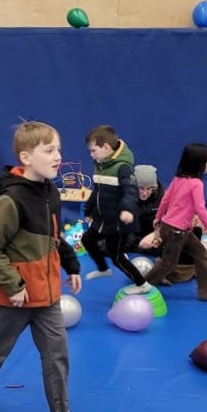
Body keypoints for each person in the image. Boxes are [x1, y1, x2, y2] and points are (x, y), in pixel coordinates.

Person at [0, 121, 99, 412]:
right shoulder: (11, 200)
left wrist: (71, 265)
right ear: (25, 157)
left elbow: (54, 236)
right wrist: (13, 286)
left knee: (57, 353)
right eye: (49, 150)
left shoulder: (50, 192)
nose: (58, 156)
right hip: (16, 295)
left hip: (46, 292)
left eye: (58, 149)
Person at [142, 143, 207, 300]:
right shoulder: (196, 184)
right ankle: (142, 284)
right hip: (175, 232)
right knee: (168, 263)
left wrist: (158, 218)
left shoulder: (178, 179)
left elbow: (165, 200)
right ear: (198, 163)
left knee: (201, 253)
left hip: (177, 229)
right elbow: (200, 209)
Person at [80, 125, 151, 294]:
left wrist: (127, 209)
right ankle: (103, 268)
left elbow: (131, 190)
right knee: (87, 240)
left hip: (118, 222)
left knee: (117, 257)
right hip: (102, 219)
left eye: (93, 150)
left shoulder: (123, 167)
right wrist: (88, 210)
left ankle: (142, 284)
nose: (91, 155)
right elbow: (97, 192)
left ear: (106, 147)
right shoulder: (100, 165)